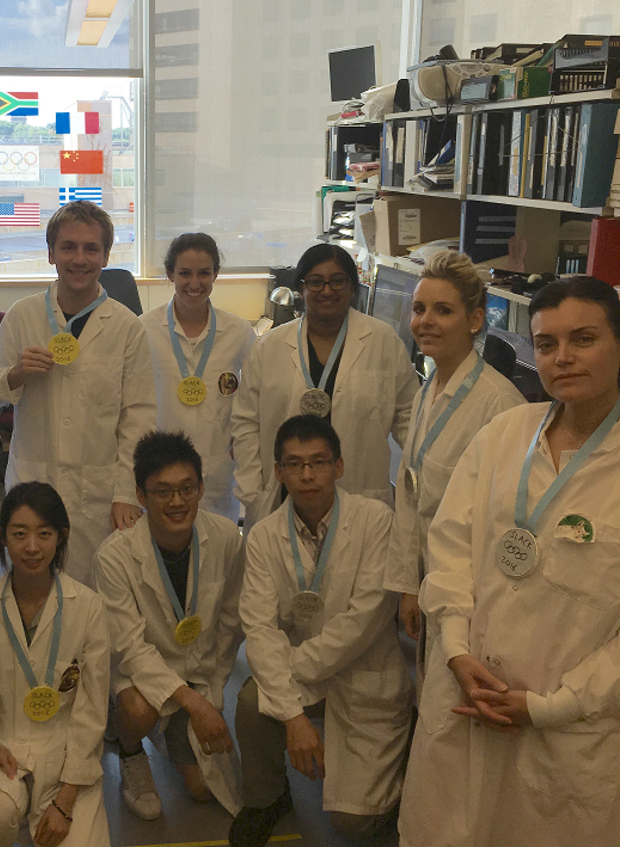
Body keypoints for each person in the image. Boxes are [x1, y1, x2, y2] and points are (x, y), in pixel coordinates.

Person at [398, 277, 620, 847]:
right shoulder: (506, 433)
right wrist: (455, 649)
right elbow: (450, 547)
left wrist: (556, 706)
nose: (562, 357)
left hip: (566, 727)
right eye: (546, 344)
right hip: (465, 692)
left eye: (584, 339)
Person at [232, 414, 412, 847]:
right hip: (306, 675)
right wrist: (293, 717)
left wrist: (291, 667)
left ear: (339, 466)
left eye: (318, 462)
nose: (307, 475)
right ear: (279, 472)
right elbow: (258, 628)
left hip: (365, 673)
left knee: (354, 826)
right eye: (294, 464)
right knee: (252, 703)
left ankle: (406, 765)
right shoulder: (263, 536)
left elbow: (367, 618)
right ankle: (267, 797)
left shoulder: (375, 520)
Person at [0, 201, 156, 585]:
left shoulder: (127, 328)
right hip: (32, 481)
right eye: (68, 247)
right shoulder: (22, 316)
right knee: (27, 592)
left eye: (91, 248)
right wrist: (16, 374)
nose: (79, 259)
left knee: (95, 596)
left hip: (97, 495)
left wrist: (126, 493)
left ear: (106, 256)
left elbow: (139, 416)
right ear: (51, 253)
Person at [0, 482, 110, 847]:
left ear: (61, 536)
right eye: (19, 534)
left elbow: (92, 711)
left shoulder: (88, 608)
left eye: (44, 534)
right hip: (1, 753)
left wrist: (66, 800)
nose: (32, 547)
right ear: (1, 536)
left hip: (66, 760)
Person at [383, 251, 524, 685]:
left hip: (475, 598)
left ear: (475, 319)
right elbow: (410, 495)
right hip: (431, 580)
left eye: (443, 310)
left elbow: (503, 525)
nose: (425, 321)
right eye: (419, 309)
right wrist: (410, 585)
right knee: (431, 693)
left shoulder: (500, 405)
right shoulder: (427, 391)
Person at [95, 431, 246, 820]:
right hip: (141, 673)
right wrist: (193, 703)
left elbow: (232, 624)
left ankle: (180, 727)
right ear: (141, 496)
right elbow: (129, 649)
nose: (177, 502)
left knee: (203, 791)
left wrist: (211, 693)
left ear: (200, 488)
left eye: (186, 489)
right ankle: (130, 751)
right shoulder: (115, 556)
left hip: (200, 673)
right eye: (162, 492)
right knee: (139, 710)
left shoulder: (226, 538)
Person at [231, 243, 418, 531]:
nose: (327, 291)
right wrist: (253, 491)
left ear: (353, 287)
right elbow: (245, 423)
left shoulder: (383, 341)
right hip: (283, 495)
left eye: (338, 281)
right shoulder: (270, 346)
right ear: (301, 288)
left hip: (360, 494)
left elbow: (410, 418)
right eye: (316, 282)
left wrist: (427, 475)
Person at [140, 233, 256, 523]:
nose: (195, 283)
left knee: (218, 544)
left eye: (204, 273)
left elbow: (258, 392)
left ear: (216, 273)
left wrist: (244, 438)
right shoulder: (144, 330)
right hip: (161, 468)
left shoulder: (238, 332)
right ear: (170, 274)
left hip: (218, 470)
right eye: (185, 273)